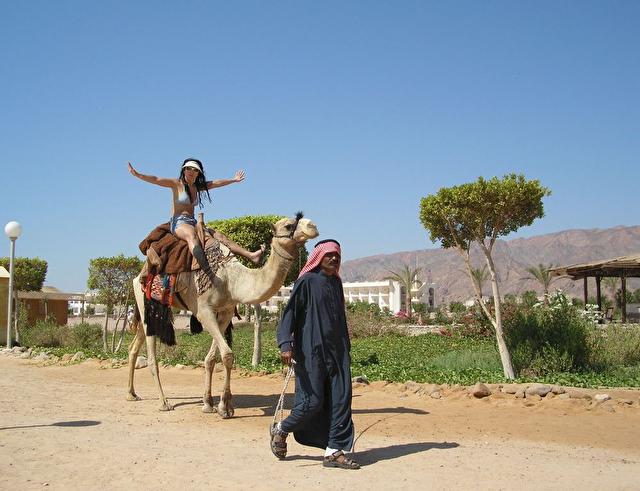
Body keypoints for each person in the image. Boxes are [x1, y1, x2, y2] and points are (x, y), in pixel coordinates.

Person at [270, 239, 360, 470]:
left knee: (341, 400)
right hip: (311, 351)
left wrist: (346, 347)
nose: (334, 259)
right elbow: (289, 315)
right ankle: (282, 428)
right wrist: (285, 344)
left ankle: (334, 451)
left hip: (338, 352)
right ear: (319, 257)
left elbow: (339, 318)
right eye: (329, 255)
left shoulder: (336, 284)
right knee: (312, 402)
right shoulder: (306, 282)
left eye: (337, 256)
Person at [128, 159, 264, 276]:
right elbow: (156, 179)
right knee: (191, 236)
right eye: (188, 168)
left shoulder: (197, 187)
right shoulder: (176, 183)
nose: (191, 171)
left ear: (198, 173)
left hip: (193, 221)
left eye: (195, 169)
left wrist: (233, 180)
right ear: (184, 170)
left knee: (220, 236)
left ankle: (251, 256)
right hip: (179, 222)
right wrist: (138, 174)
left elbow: (216, 183)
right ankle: (206, 268)